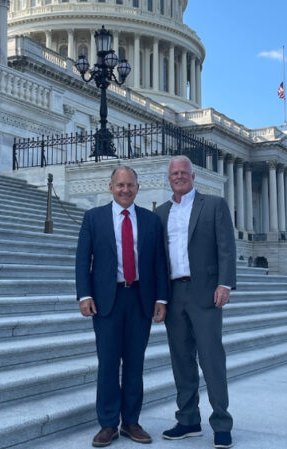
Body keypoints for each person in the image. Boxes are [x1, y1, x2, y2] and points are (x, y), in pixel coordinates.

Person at [76, 166, 169, 447]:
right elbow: (82, 260)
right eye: (120, 185)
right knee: (107, 364)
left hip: (140, 299)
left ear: (138, 188)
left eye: (130, 185)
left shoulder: (151, 221)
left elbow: (159, 263)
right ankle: (107, 424)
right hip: (107, 301)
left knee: (134, 364)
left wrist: (161, 299)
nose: (125, 190)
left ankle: (130, 422)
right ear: (110, 187)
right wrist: (84, 295)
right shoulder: (94, 218)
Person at [156, 155, 236, 449]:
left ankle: (222, 423)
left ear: (193, 176)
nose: (179, 176)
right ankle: (188, 419)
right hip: (174, 294)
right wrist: (158, 297)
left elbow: (226, 246)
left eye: (183, 172)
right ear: (169, 178)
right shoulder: (161, 212)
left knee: (212, 359)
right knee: (181, 360)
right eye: (174, 173)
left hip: (205, 292)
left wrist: (225, 284)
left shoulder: (214, 205)